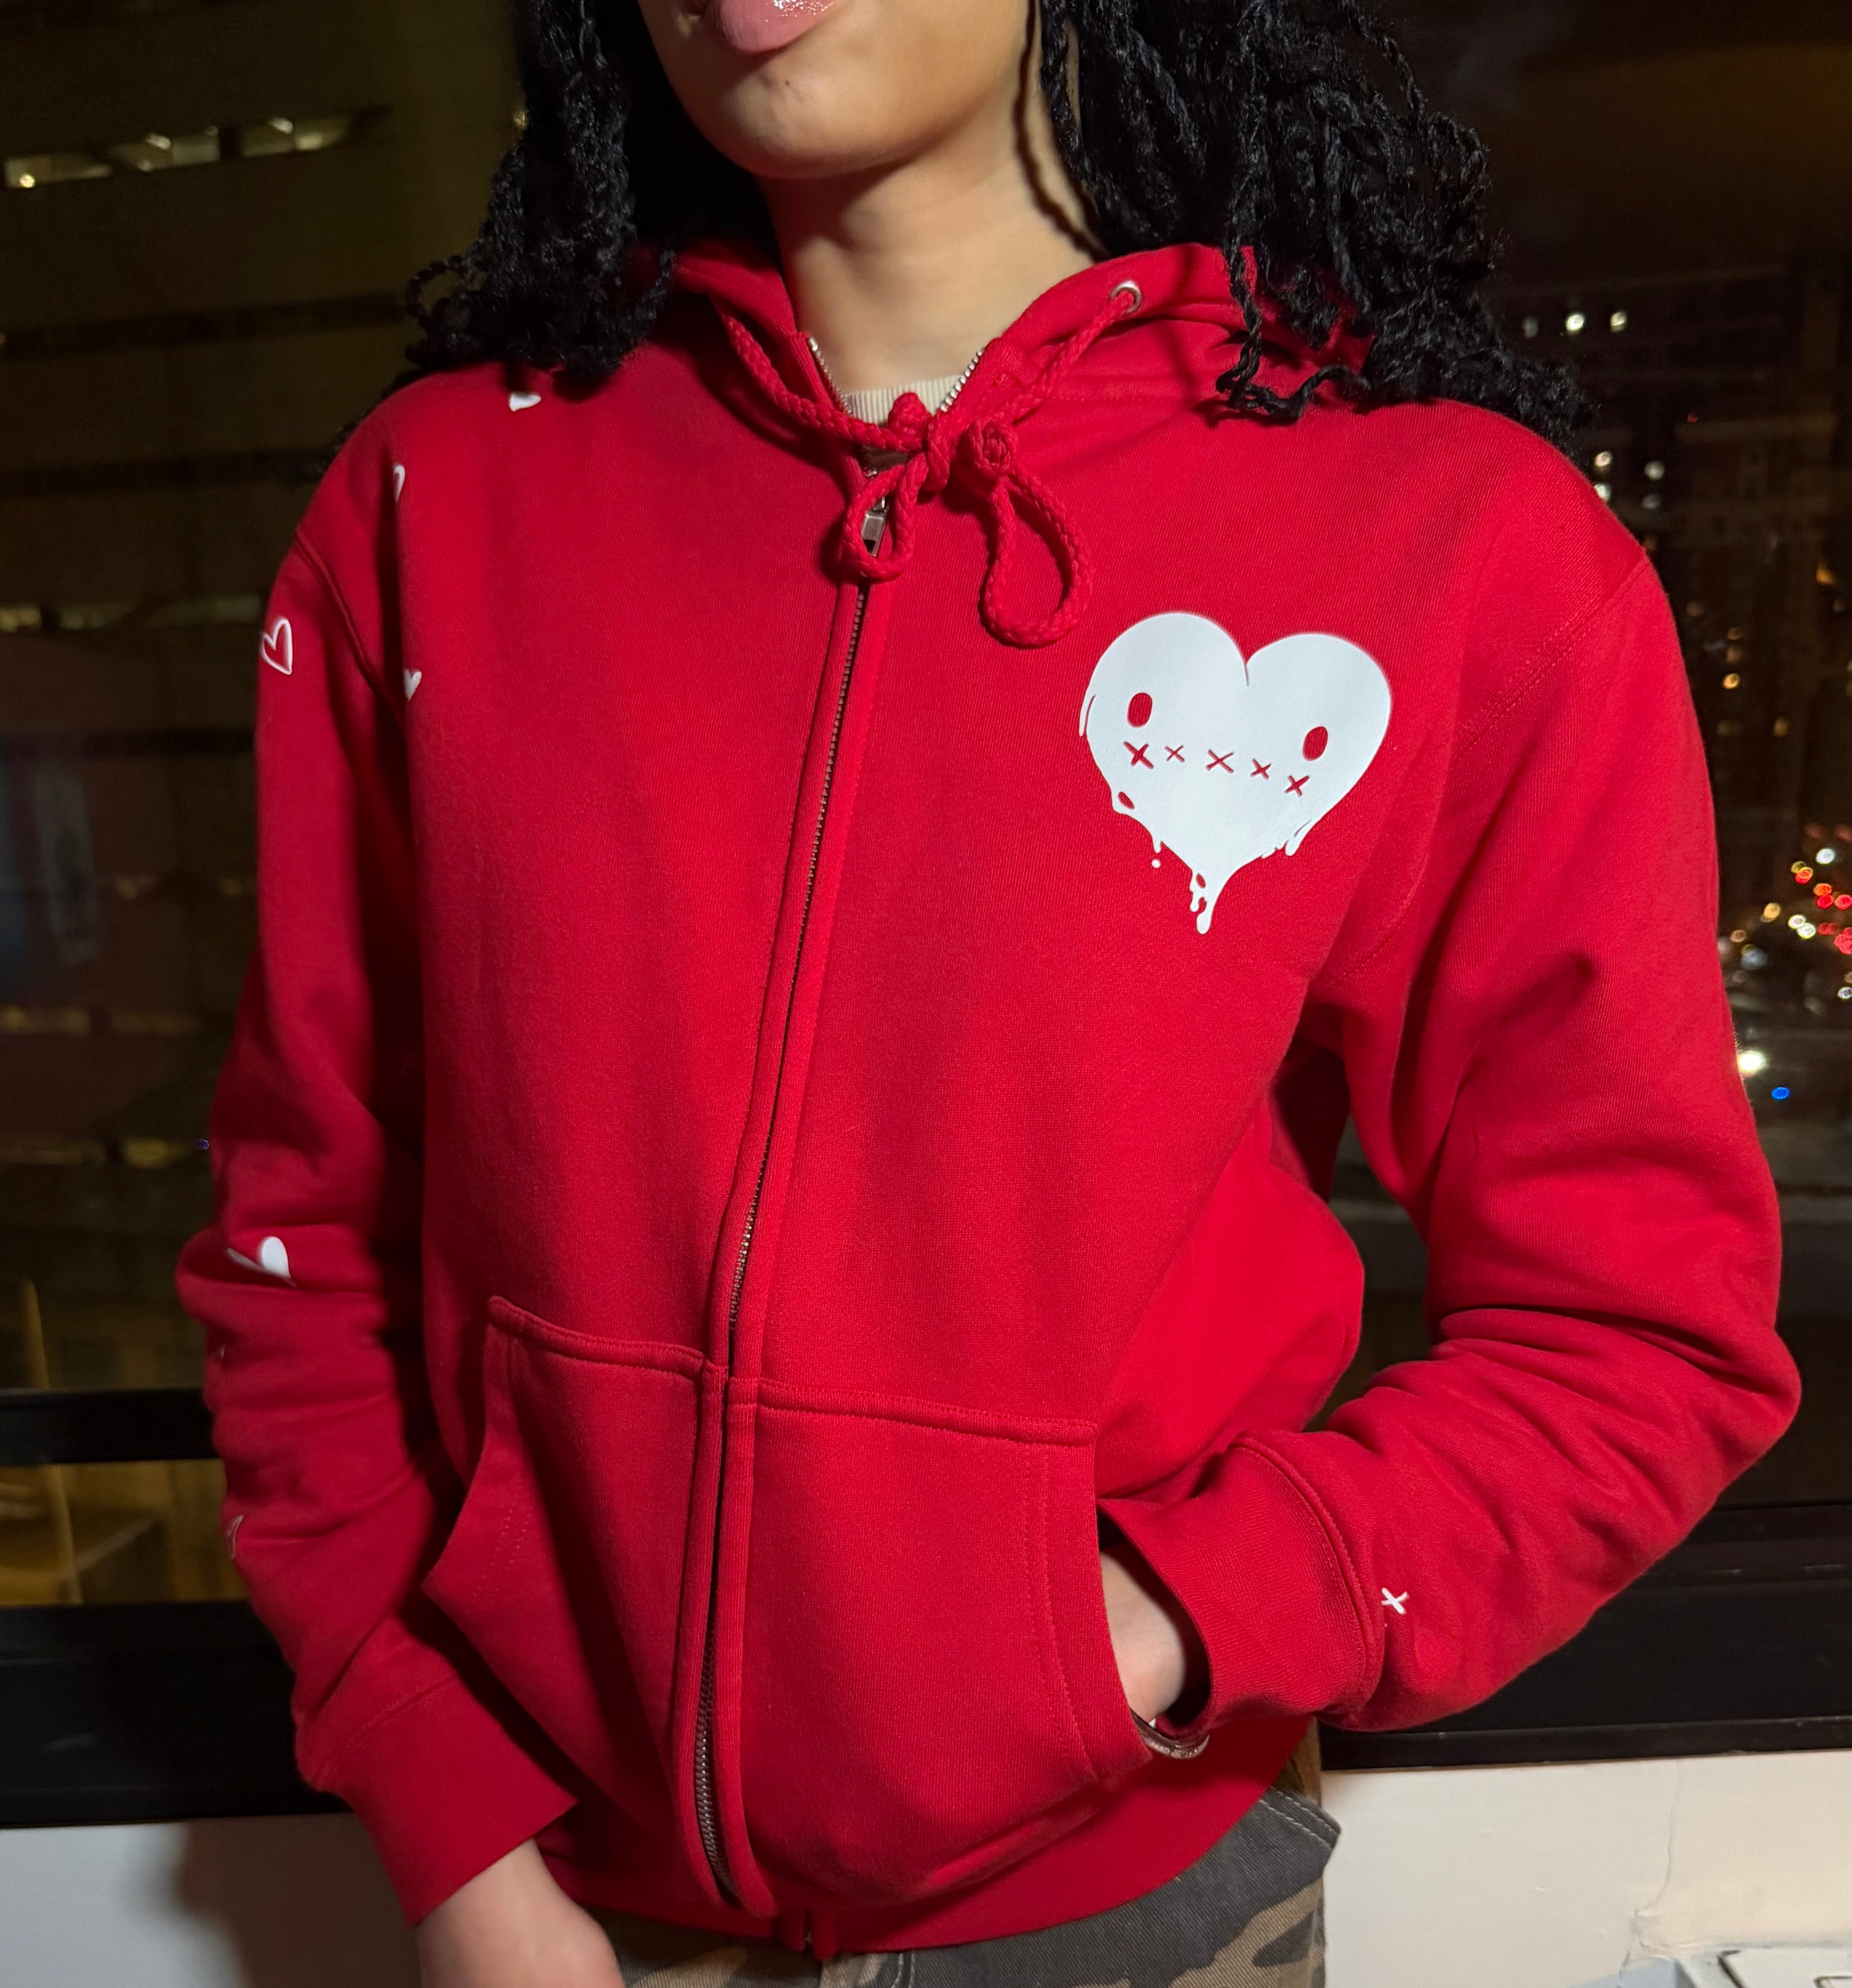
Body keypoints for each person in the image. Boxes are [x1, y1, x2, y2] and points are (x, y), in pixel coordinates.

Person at [177, 1, 1801, 1982]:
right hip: (558, 1905)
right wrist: (455, 1836)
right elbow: (305, 1236)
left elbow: (1634, 1332)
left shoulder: (1455, 544)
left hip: (1130, 1903)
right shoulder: (435, 501)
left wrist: (1142, 1633)